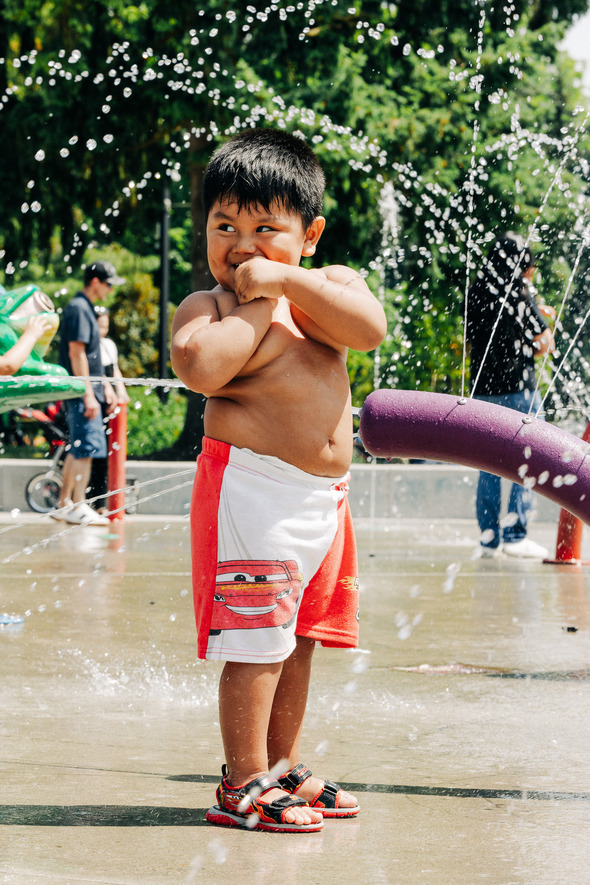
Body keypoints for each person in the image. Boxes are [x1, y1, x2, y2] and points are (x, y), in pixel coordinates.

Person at [171, 129, 386, 833]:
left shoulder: (329, 290)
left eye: (267, 229)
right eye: (224, 226)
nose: (241, 244)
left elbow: (369, 328)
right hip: (253, 493)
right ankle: (241, 781)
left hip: (322, 502)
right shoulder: (211, 307)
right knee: (257, 639)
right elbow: (202, 368)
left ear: (311, 234)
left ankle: (281, 761)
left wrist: (288, 285)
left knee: (299, 638)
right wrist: (259, 303)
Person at [465, 232, 555, 559]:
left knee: (487, 464)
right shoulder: (520, 290)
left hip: (483, 393)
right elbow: (545, 343)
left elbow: (477, 335)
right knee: (527, 460)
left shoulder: (477, 288)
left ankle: (489, 539)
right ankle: (516, 535)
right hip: (519, 392)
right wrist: (543, 323)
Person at [52, 260, 125, 526]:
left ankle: (65, 504)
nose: (110, 290)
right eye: (108, 284)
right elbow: (77, 352)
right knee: (87, 447)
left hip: (84, 388)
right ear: (95, 282)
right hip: (83, 391)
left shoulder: (80, 308)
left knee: (79, 447)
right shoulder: (80, 308)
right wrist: (88, 393)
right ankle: (79, 503)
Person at [88, 305, 130, 512]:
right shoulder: (89, 345)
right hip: (99, 398)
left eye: (105, 326)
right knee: (99, 451)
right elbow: (97, 373)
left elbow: (114, 370)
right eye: (99, 325)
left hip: (112, 401)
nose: (102, 330)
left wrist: (121, 392)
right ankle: (95, 501)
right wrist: (108, 389)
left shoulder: (108, 345)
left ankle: (104, 502)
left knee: (112, 451)